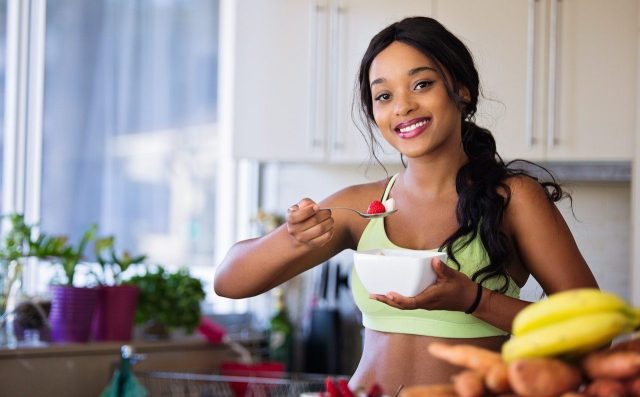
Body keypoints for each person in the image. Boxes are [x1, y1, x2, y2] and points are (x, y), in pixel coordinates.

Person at [214, 16, 598, 392]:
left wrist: (474, 300)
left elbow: (592, 333)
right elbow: (230, 281)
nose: (403, 106)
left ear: (461, 90)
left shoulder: (512, 199)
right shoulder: (363, 206)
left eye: (421, 84)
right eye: (384, 95)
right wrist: (294, 239)